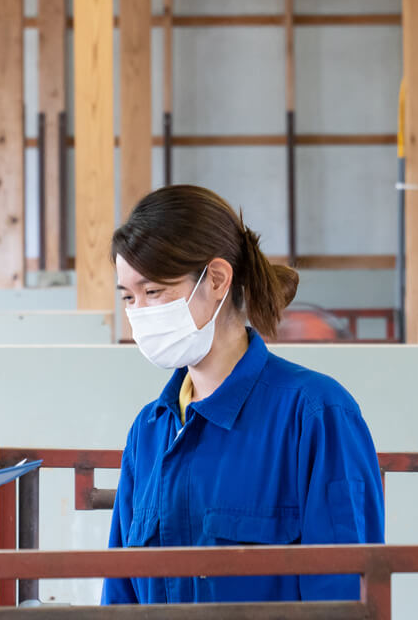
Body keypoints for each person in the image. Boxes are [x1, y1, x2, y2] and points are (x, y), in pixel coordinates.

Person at [101, 185, 386, 605]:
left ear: (216, 280)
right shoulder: (149, 430)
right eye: (129, 297)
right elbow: (120, 595)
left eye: (154, 292)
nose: (139, 313)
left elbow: (343, 594)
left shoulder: (315, 414)